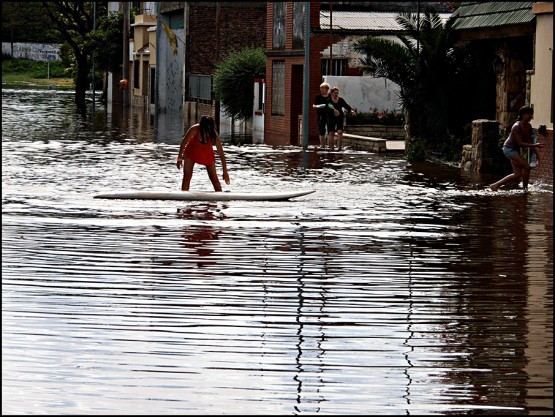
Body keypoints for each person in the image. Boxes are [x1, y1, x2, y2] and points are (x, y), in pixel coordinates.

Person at [489, 106, 543, 192]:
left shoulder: (528, 126)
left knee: (517, 174)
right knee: (527, 167)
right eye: (528, 114)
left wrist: (536, 154)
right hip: (509, 149)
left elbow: (529, 142)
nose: (530, 116)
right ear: (522, 115)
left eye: (531, 114)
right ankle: (525, 190)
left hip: (515, 150)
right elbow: (520, 143)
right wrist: (535, 145)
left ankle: (495, 185)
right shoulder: (516, 126)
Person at [176, 115, 230, 191]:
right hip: (191, 153)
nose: (207, 131)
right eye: (205, 129)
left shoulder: (214, 135)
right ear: (201, 126)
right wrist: (179, 158)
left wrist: (225, 172)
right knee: (187, 177)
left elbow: (221, 154)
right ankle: (184, 198)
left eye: (209, 129)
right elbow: (184, 141)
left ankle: (220, 198)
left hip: (207, 155)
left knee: (214, 179)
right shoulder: (194, 129)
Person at [326, 86, 356, 151]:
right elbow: (327, 109)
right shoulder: (329, 101)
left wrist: (351, 110)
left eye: (337, 93)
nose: (336, 94)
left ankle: (339, 147)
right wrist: (333, 111)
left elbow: (346, 106)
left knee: (340, 131)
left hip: (339, 116)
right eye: (335, 93)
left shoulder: (341, 100)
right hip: (331, 117)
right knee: (331, 132)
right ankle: (332, 148)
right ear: (331, 93)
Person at [312, 82, 330, 148]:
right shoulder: (318, 97)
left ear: (327, 89)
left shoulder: (330, 96)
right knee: (321, 129)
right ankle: (322, 145)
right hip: (321, 115)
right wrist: (318, 106)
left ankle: (330, 145)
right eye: (320, 88)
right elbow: (314, 105)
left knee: (330, 129)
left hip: (329, 115)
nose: (321, 89)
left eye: (322, 88)